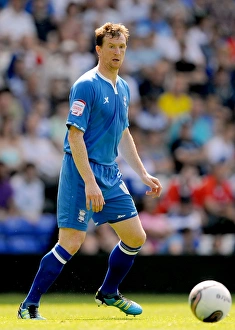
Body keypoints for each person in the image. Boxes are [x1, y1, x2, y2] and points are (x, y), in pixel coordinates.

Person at [18, 22, 162, 320]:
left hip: (110, 173)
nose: (117, 52)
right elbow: (74, 135)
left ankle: (109, 292)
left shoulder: (122, 87)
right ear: (99, 49)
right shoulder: (86, 84)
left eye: (122, 47)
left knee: (136, 237)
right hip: (80, 172)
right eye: (112, 46)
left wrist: (143, 174)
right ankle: (29, 305)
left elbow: (123, 133)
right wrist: (90, 182)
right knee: (70, 242)